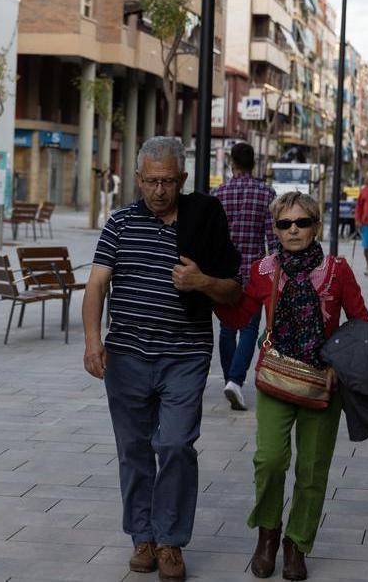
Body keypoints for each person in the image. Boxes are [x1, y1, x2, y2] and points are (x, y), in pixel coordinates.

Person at [82, 137, 242, 581]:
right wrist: (93, 341)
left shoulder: (203, 222)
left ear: (183, 180)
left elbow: (234, 288)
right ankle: (142, 537)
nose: (158, 190)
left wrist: (201, 281)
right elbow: (96, 286)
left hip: (185, 356)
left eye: (167, 181)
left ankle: (170, 541)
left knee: (173, 445)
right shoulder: (120, 224)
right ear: (138, 180)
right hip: (127, 356)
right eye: (151, 181)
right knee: (133, 449)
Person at [215, 192, 368, 582]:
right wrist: (207, 287)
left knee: (312, 469)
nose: (294, 230)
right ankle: (267, 535)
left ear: (316, 226)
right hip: (276, 377)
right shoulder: (265, 270)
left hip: (323, 383)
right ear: (276, 230)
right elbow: (238, 315)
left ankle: (296, 543)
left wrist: (339, 363)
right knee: (269, 460)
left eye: (302, 222)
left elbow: (361, 324)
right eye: (285, 224)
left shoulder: (337, 270)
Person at [212, 143, 278, 411]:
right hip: (254, 273)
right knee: (249, 329)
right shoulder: (266, 193)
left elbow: (211, 239)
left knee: (227, 329)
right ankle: (236, 381)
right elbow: (272, 241)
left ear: (231, 163)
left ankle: (231, 378)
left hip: (224, 274)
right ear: (254, 163)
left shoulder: (218, 194)